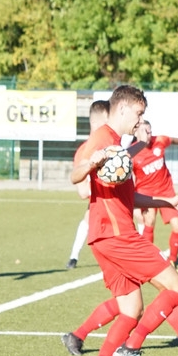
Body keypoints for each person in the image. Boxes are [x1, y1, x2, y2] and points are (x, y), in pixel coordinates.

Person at [66, 85, 178, 356]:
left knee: (131, 309)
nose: (140, 120)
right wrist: (92, 162)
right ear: (123, 108)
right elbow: (76, 179)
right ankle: (132, 347)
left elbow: (128, 197)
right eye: (138, 113)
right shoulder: (102, 139)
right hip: (117, 235)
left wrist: (167, 201)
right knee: (176, 287)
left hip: (107, 236)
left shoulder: (118, 144)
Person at [130, 120, 178, 265]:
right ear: (136, 133)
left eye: (149, 131)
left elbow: (173, 140)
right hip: (146, 193)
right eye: (144, 131)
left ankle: (172, 261)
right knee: (149, 221)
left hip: (166, 190)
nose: (148, 134)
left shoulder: (159, 141)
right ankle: (148, 261)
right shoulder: (132, 153)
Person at [66, 100, 110, 270]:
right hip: (101, 201)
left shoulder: (110, 145)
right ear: (95, 122)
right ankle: (74, 256)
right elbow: (83, 191)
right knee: (88, 218)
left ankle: (73, 257)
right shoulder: (85, 151)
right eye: (107, 121)